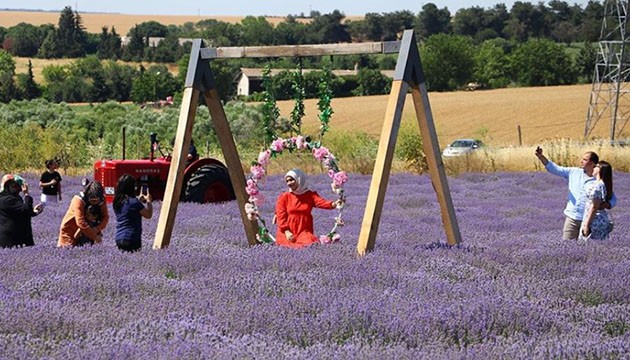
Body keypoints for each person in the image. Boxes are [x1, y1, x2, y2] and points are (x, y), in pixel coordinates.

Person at [535, 147, 617, 240]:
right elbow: (555, 169)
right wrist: (541, 157)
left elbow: (612, 198)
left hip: (589, 220)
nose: (581, 161)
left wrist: (607, 204)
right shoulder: (573, 172)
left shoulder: (598, 180)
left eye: (585, 159)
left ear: (592, 163)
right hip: (572, 218)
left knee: (587, 249)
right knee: (567, 246)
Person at [274, 168, 343, 249]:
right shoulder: (284, 197)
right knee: (287, 247)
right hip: (287, 231)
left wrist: (334, 204)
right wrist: (286, 231)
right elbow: (281, 215)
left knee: (310, 244)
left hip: (304, 230)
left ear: (299, 179)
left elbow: (321, 202)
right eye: (287, 181)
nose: (289, 183)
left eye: (291, 180)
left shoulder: (309, 195)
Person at [58, 180, 109, 247]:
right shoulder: (78, 200)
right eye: (92, 200)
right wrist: (94, 236)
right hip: (70, 230)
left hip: (88, 231)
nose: (95, 203)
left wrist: (97, 229)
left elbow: (105, 217)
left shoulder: (102, 199)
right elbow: (80, 222)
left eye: (97, 200)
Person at [0, 174, 43, 248]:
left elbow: (21, 212)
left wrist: (34, 212)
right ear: (8, 186)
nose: (19, 188)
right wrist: (26, 194)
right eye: (15, 186)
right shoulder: (6, 199)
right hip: (11, 237)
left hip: (20, 235)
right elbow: (25, 209)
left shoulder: (14, 197)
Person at [113, 174, 153, 252]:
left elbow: (128, 211)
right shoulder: (134, 202)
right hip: (131, 237)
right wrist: (149, 201)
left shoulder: (117, 202)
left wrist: (139, 201)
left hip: (119, 237)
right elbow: (148, 215)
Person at [579, 161, 614, 242]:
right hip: (601, 219)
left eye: (595, 166)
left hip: (594, 221)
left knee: (588, 246)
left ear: (600, 170)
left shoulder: (597, 187)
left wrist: (586, 225)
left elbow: (594, 207)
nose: (593, 168)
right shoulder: (603, 185)